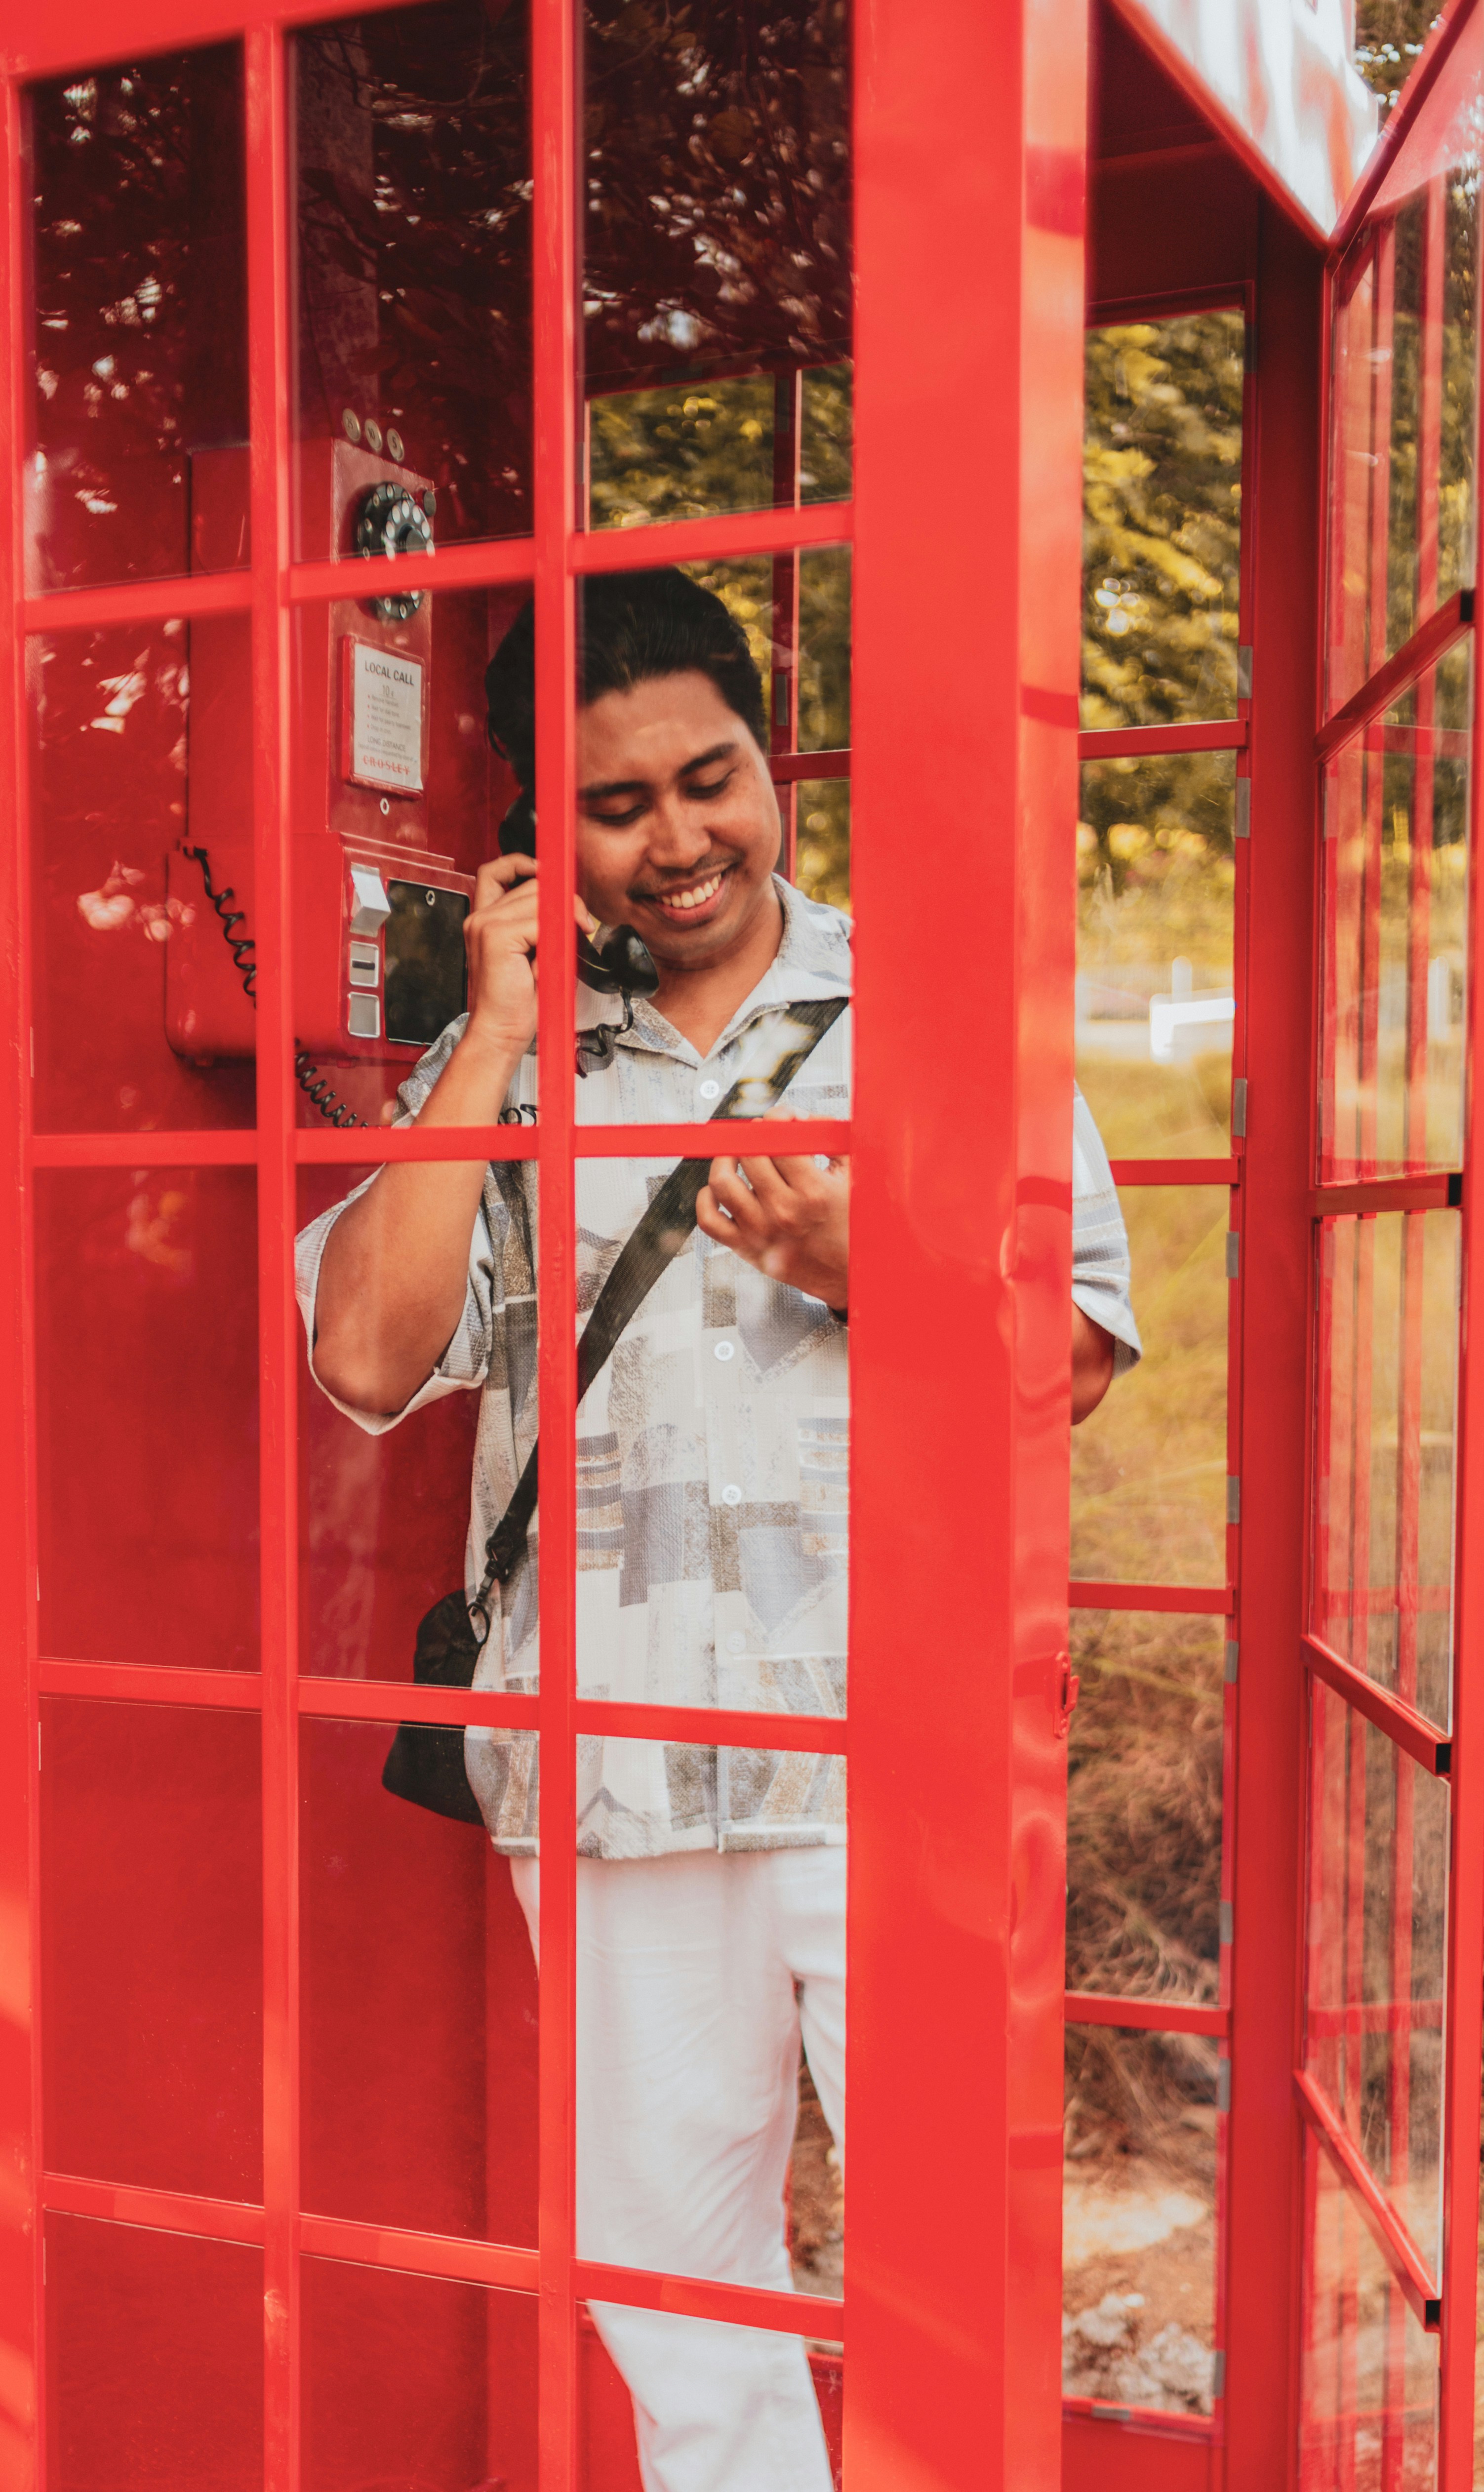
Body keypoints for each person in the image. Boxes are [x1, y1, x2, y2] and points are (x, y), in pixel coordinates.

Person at [295, 568, 1141, 2492]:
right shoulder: (506, 1058)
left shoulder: (929, 1006)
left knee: (955, 2288)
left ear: (775, 764)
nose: (676, 839)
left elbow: (1076, 1356)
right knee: (681, 2313)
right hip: (605, 1763)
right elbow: (360, 1353)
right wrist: (493, 1034)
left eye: (709, 777)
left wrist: (878, 1263)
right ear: (541, 826)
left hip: (893, 1749)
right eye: (612, 804)